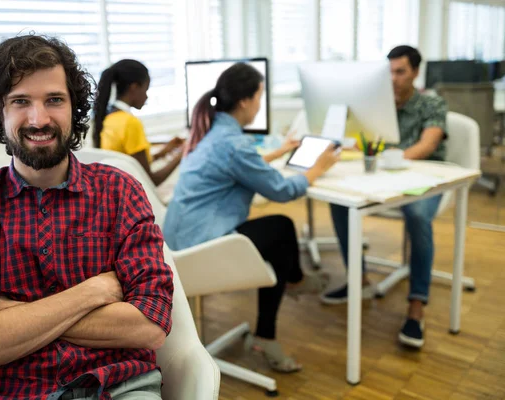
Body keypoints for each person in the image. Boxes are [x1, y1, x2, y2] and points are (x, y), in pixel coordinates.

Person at [0, 35, 174, 400]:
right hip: (11, 392)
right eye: (21, 101)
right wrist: (94, 292)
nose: (38, 119)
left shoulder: (120, 192)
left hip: (119, 386)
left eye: (54, 100)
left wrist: (6, 316)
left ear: (74, 107)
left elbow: (150, 327)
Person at [163, 63, 338, 373]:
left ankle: (293, 285)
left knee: (277, 236)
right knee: (281, 228)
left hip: (176, 244)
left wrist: (279, 152)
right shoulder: (233, 144)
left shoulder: (213, 134)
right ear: (245, 101)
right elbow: (282, 190)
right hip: (198, 250)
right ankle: (275, 316)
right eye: (259, 96)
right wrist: (316, 169)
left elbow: (241, 164)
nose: (260, 103)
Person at [320, 45, 448, 349]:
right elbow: (361, 144)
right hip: (383, 179)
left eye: (400, 71)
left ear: (416, 72)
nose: (393, 78)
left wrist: (394, 160)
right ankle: (359, 281)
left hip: (427, 180)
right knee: (340, 201)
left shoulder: (432, 104)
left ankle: (417, 306)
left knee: (417, 215)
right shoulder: (376, 105)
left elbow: (427, 145)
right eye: (389, 71)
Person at [93, 59, 184, 186]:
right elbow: (152, 180)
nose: (146, 96)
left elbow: (133, 164)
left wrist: (164, 152)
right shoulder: (130, 123)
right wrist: (183, 153)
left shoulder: (109, 118)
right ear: (134, 88)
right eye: (146, 90)